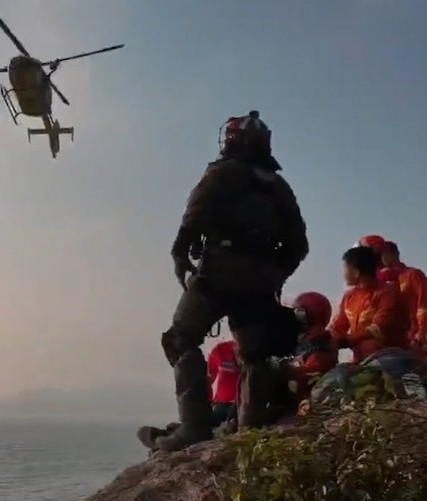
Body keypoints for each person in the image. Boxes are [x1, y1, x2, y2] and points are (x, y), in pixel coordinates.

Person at [141, 110, 309, 453]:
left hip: (218, 272)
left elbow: (193, 218)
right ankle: (248, 427)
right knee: (255, 355)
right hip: (260, 283)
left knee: (180, 339)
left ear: (234, 140)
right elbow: (299, 245)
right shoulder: (280, 187)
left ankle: (194, 428)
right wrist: (274, 275)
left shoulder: (221, 172)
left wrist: (180, 256)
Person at [329, 246, 410, 363]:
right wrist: (324, 340)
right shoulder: (349, 297)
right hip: (361, 362)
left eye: (345, 267)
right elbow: (337, 327)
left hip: (390, 361)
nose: (343, 273)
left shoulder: (388, 293)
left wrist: (346, 340)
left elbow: (378, 328)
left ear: (356, 272)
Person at [284, 291, 338, 414]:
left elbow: (313, 370)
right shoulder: (302, 340)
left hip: (310, 403)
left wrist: (283, 370)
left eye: (298, 312)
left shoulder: (321, 342)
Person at [380, 241, 427, 362]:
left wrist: (422, 331)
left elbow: (423, 303)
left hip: (412, 334)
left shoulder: (412, 275)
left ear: (394, 254)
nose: (382, 259)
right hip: (388, 339)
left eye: (384, 254)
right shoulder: (382, 282)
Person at [206, 339, 238, 425]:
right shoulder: (220, 349)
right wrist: (208, 402)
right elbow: (209, 379)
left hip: (243, 405)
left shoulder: (257, 352)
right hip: (222, 404)